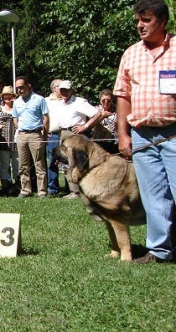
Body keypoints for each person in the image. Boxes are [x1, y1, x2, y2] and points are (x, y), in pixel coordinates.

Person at [114, 0, 175, 263]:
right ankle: (160, 250)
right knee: (153, 197)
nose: (140, 25)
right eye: (138, 20)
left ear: (162, 22)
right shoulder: (131, 53)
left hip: (174, 131)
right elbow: (122, 95)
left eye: (146, 20)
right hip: (141, 135)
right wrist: (123, 134)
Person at [56, 80, 102, 199]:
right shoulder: (60, 103)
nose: (64, 92)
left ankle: (81, 191)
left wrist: (85, 126)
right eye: (62, 90)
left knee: (77, 163)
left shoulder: (79, 102)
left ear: (71, 90)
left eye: (66, 90)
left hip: (75, 135)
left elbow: (97, 114)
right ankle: (73, 191)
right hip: (63, 133)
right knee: (66, 163)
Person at [12, 76, 49, 198]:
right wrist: (19, 127)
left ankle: (42, 190)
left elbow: (46, 118)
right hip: (22, 135)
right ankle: (25, 190)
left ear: (28, 86)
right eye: (17, 88)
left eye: (21, 87)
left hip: (36, 134)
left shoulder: (39, 99)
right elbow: (15, 118)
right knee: (23, 165)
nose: (20, 90)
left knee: (39, 164)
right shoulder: (16, 102)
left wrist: (45, 134)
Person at [0, 86, 19, 195]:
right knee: (4, 165)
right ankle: (5, 187)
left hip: (17, 139)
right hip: (3, 140)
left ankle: (18, 186)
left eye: (10, 95)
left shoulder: (18, 107)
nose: (8, 98)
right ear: (2, 97)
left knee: (17, 165)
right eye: (6, 95)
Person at [45, 78, 64, 195]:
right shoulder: (46, 101)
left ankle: (71, 187)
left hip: (66, 134)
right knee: (52, 161)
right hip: (52, 135)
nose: (63, 88)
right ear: (54, 88)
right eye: (60, 86)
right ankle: (52, 188)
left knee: (68, 160)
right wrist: (44, 131)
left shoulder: (67, 100)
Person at [92, 89, 118, 154]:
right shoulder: (95, 110)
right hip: (99, 141)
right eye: (103, 100)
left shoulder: (117, 111)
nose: (106, 102)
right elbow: (91, 124)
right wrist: (102, 116)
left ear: (112, 101)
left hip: (114, 141)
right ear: (100, 101)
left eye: (108, 100)